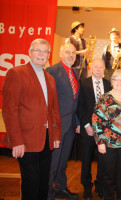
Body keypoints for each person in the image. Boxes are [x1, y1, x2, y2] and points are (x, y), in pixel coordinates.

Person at [1, 38, 61, 200]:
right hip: (26, 141)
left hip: (47, 140)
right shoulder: (16, 73)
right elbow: (9, 111)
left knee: (44, 183)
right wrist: (17, 141)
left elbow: (54, 110)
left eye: (45, 51)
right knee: (31, 184)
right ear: (30, 52)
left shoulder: (50, 78)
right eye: (38, 50)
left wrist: (55, 136)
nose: (41, 54)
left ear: (49, 55)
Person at [92, 69, 121, 200]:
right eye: (116, 79)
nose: (119, 82)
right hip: (108, 144)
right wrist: (100, 142)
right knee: (109, 176)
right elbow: (96, 121)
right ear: (112, 82)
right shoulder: (104, 98)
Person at [46, 43, 80, 200]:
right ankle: (48, 193)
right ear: (60, 53)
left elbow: (74, 101)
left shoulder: (74, 72)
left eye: (73, 52)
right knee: (52, 163)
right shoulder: (52, 71)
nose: (71, 55)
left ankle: (60, 188)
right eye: (67, 52)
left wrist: (77, 121)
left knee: (62, 161)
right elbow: (46, 101)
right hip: (56, 126)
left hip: (70, 125)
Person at [77, 58, 112, 200]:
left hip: (104, 131)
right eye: (96, 67)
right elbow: (79, 106)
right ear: (91, 68)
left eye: (101, 67)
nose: (98, 69)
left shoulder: (109, 84)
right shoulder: (83, 83)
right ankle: (86, 187)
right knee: (86, 160)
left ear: (104, 69)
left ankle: (99, 185)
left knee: (103, 160)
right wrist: (86, 125)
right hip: (88, 129)